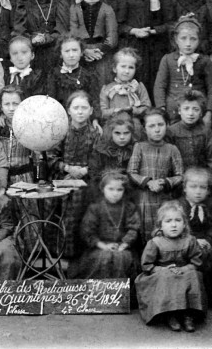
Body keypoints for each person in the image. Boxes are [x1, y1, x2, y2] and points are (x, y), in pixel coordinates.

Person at [135, 200, 205, 332]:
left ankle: (187, 315)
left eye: (178, 220)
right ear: (160, 225)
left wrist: (184, 269)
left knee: (193, 275)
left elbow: (196, 262)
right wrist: (162, 269)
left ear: (184, 224)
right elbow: (147, 265)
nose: (173, 225)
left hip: (184, 270)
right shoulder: (155, 242)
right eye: (168, 221)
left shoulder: (190, 241)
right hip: (160, 273)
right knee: (167, 276)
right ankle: (170, 314)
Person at [48, 91, 101, 258]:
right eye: (76, 108)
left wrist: (85, 170)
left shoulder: (95, 134)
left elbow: (98, 160)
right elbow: (50, 157)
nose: (80, 111)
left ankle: (80, 255)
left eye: (84, 108)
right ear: (68, 110)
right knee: (55, 207)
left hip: (86, 180)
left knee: (80, 208)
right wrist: (67, 168)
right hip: (62, 177)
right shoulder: (61, 131)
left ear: (91, 110)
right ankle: (59, 252)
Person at [116, 0, 174, 92]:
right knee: (137, 80)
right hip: (136, 48)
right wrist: (134, 31)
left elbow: (171, 23)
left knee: (157, 81)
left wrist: (155, 30)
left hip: (157, 48)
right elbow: (119, 26)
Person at [69, 171, 140, 280]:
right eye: (111, 189)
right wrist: (103, 246)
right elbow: (87, 231)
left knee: (122, 258)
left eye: (119, 189)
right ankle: (101, 294)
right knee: (104, 257)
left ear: (124, 191)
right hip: (99, 247)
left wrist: (123, 245)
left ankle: (120, 293)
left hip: (122, 247)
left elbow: (133, 228)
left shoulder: (129, 207)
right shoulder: (95, 208)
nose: (115, 193)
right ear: (103, 189)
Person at [177, 167, 212, 310]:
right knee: (197, 254)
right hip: (184, 241)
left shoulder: (209, 206)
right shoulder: (180, 206)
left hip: (204, 241)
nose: (198, 191)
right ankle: (193, 294)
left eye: (202, 187)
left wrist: (208, 240)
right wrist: (194, 240)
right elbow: (178, 228)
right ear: (185, 188)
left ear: (208, 190)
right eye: (193, 187)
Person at [127, 107, 183, 241]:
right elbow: (131, 172)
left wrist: (166, 182)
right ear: (145, 129)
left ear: (167, 125)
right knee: (144, 231)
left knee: (164, 228)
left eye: (160, 125)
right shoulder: (139, 147)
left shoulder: (172, 149)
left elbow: (180, 175)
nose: (157, 129)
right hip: (144, 199)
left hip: (164, 198)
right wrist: (148, 182)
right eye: (151, 126)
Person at [153, 15, 212, 126]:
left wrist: (209, 113)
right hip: (173, 113)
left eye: (193, 39)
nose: (188, 44)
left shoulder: (204, 61)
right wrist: (162, 110)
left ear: (199, 40)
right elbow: (160, 86)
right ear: (176, 39)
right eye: (183, 38)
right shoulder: (168, 60)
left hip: (197, 112)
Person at [13, 0, 69, 70]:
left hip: (54, 50)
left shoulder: (59, 3)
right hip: (32, 52)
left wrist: (47, 38)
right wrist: (31, 39)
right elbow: (19, 30)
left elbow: (62, 29)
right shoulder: (24, 5)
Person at [68, 0, 119, 86]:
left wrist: (100, 51)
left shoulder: (107, 9)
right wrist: (84, 50)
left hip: (102, 53)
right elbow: (73, 32)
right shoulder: (75, 9)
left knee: (101, 83)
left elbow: (112, 35)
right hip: (81, 52)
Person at [46, 35, 102, 130]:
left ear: (81, 52)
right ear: (60, 54)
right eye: (67, 51)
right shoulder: (54, 74)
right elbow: (51, 100)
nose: (71, 55)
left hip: (83, 118)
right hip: (61, 121)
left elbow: (94, 99)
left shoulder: (88, 75)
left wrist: (95, 120)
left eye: (75, 50)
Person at [99, 48, 151, 134]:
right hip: (113, 127)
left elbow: (147, 108)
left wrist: (134, 110)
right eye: (123, 66)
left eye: (131, 67)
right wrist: (117, 110)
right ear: (115, 68)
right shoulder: (107, 89)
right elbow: (103, 113)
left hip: (134, 127)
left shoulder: (138, 87)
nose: (127, 71)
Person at [88, 114, 136, 202]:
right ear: (111, 133)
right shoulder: (101, 151)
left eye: (126, 133)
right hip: (104, 195)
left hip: (129, 196)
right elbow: (94, 176)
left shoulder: (136, 150)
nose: (122, 137)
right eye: (117, 133)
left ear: (131, 133)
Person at [167, 90, 212, 170]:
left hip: (201, 176)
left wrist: (208, 176)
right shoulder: (171, 131)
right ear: (179, 111)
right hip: (178, 176)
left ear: (201, 113)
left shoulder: (206, 131)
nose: (190, 113)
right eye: (186, 109)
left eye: (196, 109)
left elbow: (211, 159)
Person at [0, 85, 35, 185]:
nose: (11, 108)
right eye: (7, 104)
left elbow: (38, 156)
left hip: (24, 177)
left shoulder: (30, 126)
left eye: (15, 104)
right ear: (1, 106)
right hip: (0, 178)